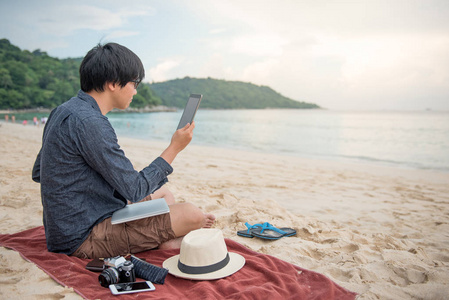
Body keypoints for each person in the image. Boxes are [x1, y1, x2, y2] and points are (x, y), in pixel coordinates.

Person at [32, 42, 215, 259]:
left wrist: (99, 192)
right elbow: (134, 189)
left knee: (165, 194)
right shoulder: (91, 122)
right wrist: (174, 147)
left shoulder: (63, 110)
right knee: (192, 214)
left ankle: (162, 240)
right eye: (134, 83)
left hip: (71, 225)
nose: (135, 91)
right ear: (112, 83)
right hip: (82, 238)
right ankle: (165, 243)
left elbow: (39, 172)